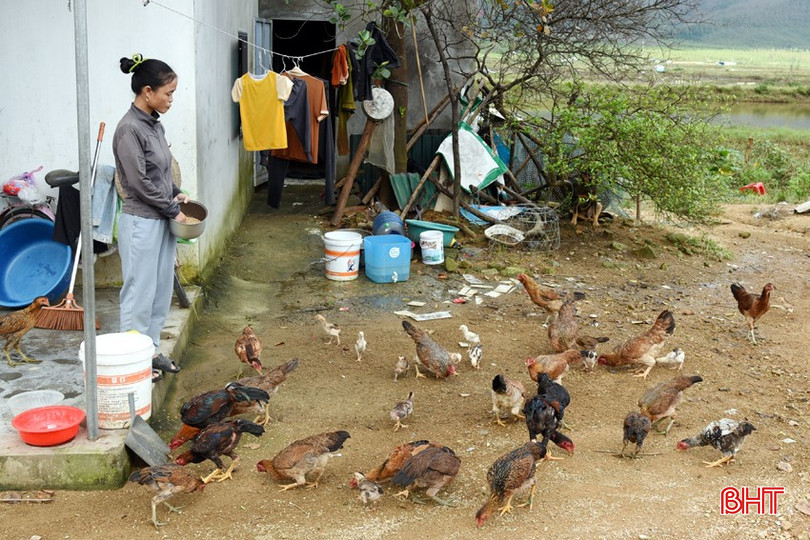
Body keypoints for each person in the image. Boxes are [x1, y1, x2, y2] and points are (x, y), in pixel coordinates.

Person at [112, 53, 189, 382]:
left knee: (159, 290)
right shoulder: (129, 129)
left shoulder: (154, 124)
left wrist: (176, 193)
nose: (171, 99)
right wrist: (173, 209)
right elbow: (140, 182)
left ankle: (151, 351)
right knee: (138, 293)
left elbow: (161, 172)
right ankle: (133, 361)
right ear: (147, 91)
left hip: (161, 220)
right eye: (168, 93)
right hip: (141, 222)